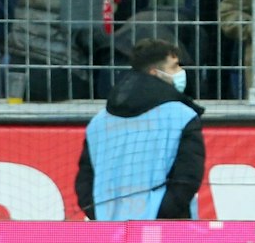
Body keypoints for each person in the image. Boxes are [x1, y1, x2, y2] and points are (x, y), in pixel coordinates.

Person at [74, 37, 206, 220]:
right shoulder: (182, 116)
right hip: (165, 230)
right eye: (174, 67)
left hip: (110, 229)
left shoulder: (99, 122)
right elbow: (188, 177)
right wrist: (162, 214)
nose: (181, 72)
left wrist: (98, 214)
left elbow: (85, 182)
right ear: (155, 73)